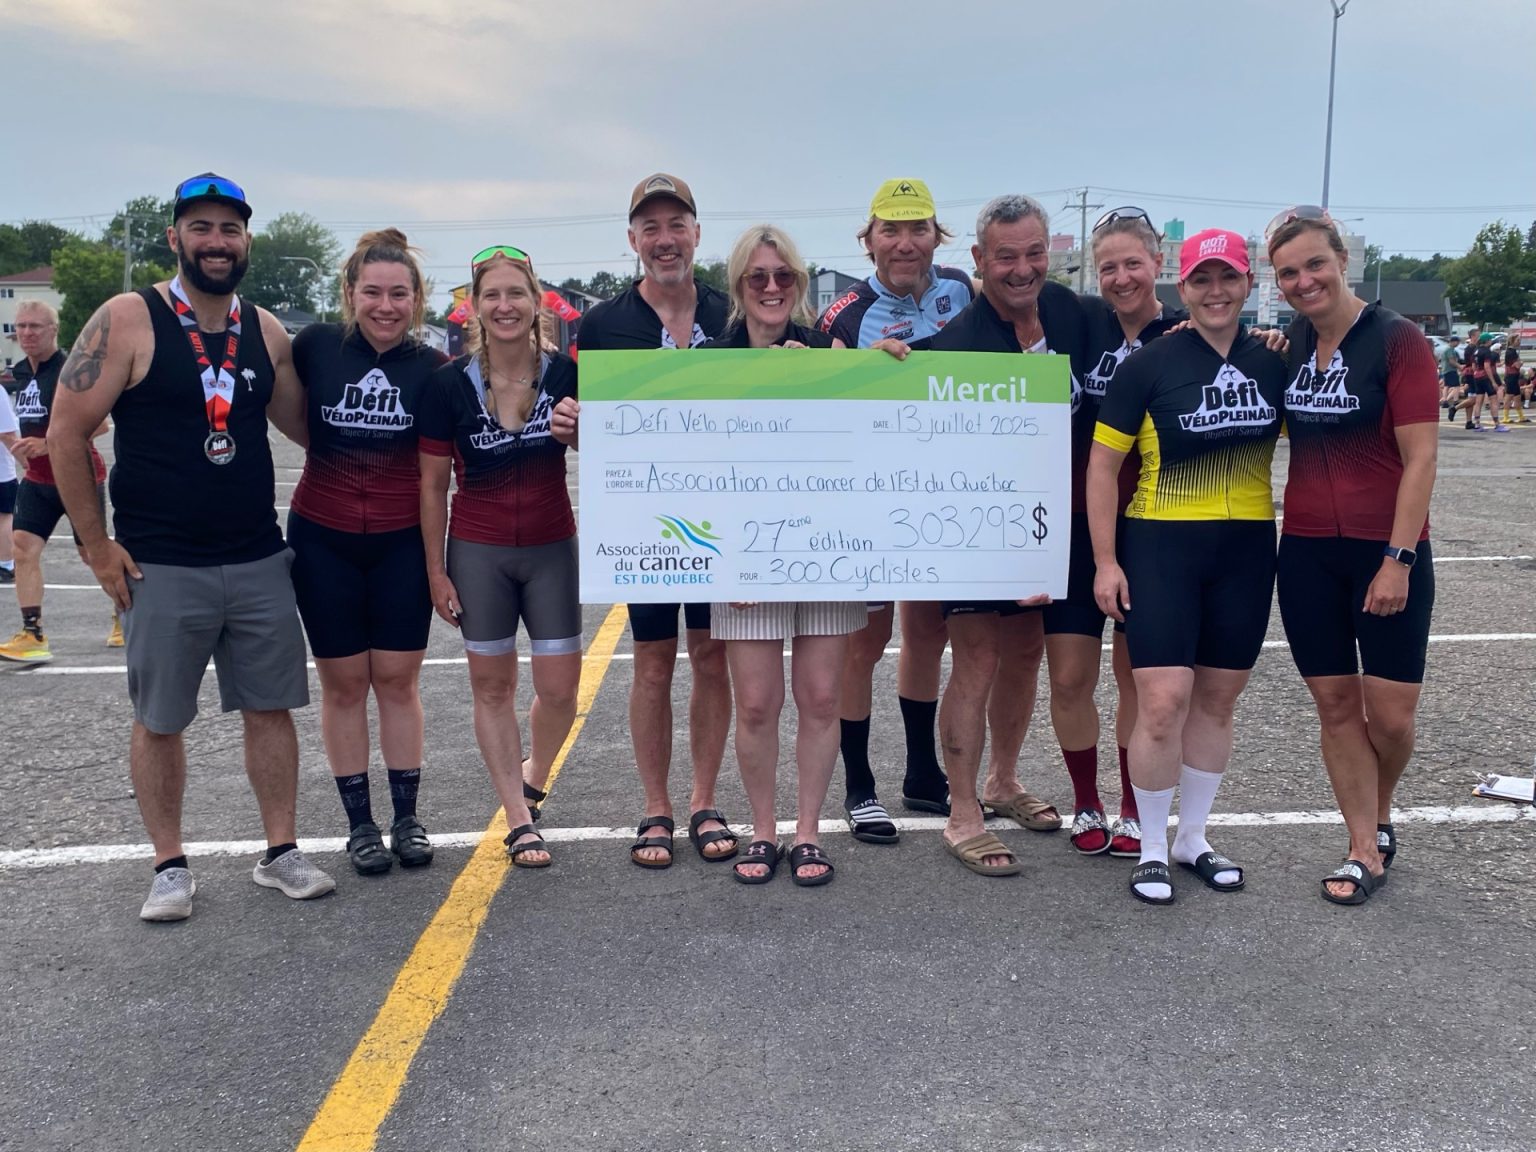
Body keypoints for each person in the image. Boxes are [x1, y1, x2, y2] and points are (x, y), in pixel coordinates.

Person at [46, 172, 334, 920]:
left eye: (229, 229)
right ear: (175, 237)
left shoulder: (265, 330)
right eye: (201, 228)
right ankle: (169, 865)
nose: (216, 242)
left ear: (246, 241)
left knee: (270, 709)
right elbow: (66, 432)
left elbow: (310, 430)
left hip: (257, 555)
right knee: (161, 718)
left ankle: (280, 850)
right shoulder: (127, 319)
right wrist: (95, 545)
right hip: (161, 562)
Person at [1088, 228, 1286, 905]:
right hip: (1160, 546)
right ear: (1183, 285)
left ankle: (1191, 838)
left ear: (1248, 283)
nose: (1215, 291)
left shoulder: (1275, 362)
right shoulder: (1149, 365)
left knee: (1218, 700)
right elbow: (1102, 467)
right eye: (1202, 279)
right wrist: (1106, 561)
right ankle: (1149, 845)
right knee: (1163, 701)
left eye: (1228, 277)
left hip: (1246, 550)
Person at [1267, 206, 1439, 905]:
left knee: (1391, 717)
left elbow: (1421, 457)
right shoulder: (1288, 345)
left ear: (1343, 261)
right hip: (1307, 551)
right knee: (1336, 706)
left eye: (1315, 264)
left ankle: (1380, 807)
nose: (1304, 281)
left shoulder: (1398, 340)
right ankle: (1363, 845)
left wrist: (1398, 558)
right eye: (1288, 272)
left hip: (1386, 549)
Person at [576, 174, 737, 868]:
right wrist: (573, 425)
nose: (664, 240)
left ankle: (704, 799)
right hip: (643, 518)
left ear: (697, 233)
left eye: (676, 225)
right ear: (632, 239)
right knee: (651, 660)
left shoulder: (733, 313)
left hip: (721, 514)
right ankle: (656, 806)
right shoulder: (603, 325)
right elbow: (585, 420)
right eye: (651, 228)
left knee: (710, 654)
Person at [698, 225, 866, 886]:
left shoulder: (826, 351)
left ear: (797, 283)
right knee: (757, 704)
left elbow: (861, 443)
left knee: (821, 698)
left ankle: (808, 832)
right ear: (739, 286)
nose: (771, 288)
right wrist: (722, 562)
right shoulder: (711, 360)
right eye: (757, 277)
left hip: (823, 548)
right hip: (744, 555)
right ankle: (763, 830)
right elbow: (692, 465)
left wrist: (839, 375)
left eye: (783, 276)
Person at [927, 194, 1088, 875]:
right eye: (1005, 257)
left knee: (1025, 655)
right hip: (977, 527)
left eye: (1034, 254)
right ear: (978, 259)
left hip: (1050, 526)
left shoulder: (1074, 313)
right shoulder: (956, 343)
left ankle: (1003, 780)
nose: (1022, 270)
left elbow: (1147, 330)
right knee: (977, 660)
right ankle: (963, 812)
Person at [817, 177, 974, 842]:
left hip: (942, 493)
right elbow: (822, 408)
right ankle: (859, 786)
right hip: (869, 500)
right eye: (892, 230)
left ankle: (922, 773)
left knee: (929, 634)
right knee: (866, 642)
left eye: (918, 229)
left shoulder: (961, 290)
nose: (905, 243)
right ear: (869, 239)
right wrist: (859, 371)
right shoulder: (846, 314)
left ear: (937, 236)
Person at [287, 229, 447, 875]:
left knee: (399, 682)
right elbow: (280, 411)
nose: (386, 306)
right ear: (350, 293)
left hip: (400, 541)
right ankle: (360, 825)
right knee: (345, 685)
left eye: (399, 294)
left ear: (417, 299)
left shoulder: (433, 367)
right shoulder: (314, 346)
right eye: (373, 292)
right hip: (322, 537)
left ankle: (407, 817)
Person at [418, 244, 581, 869]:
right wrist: (436, 571)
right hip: (478, 549)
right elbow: (432, 485)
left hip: (551, 547)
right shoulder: (446, 383)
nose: (505, 305)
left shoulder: (567, 375)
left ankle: (533, 775)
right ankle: (518, 817)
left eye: (516, 293)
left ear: (537, 302)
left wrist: (585, 433)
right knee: (492, 687)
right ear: (474, 307)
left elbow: (619, 446)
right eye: (492, 295)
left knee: (560, 691)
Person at [1047, 207, 1189, 858]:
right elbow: (995, 293)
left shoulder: (1185, 331)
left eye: (1134, 263)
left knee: (1135, 677)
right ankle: (1087, 800)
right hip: (1077, 526)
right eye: (1108, 267)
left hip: (1152, 527)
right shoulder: (1081, 324)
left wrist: (1272, 339)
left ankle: (1135, 805)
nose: (1122, 277)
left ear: (1159, 263)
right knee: (1070, 678)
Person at [0, 300, 117, 662]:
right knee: (22, 548)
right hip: (38, 478)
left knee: (92, 553)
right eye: (21, 326)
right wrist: (24, 448)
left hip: (77, 474)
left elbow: (100, 424)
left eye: (35, 326)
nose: (26, 333)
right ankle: (33, 634)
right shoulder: (21, 372)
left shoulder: (70, 370)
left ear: (54, 330)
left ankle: (126, 615)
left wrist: (47, 444)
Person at [0, 382, 17, 585]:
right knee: (5, 515)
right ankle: (5, 565)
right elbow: (6, 434)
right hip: (2, 471)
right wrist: (26, 462)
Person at [1501, 338, 1525, 423]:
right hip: (1511, 377)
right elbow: (1517, 365)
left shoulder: (1512, 351)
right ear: (1512, 341)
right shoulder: (1511, 352)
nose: (1519, 342)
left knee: (1517, 397)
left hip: (1514, 377)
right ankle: (1505, 417)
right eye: (1517, 340)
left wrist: (1519, 362)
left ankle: (1521, 416)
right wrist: (1521, 362)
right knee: (1509, 396)